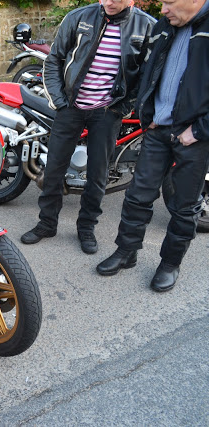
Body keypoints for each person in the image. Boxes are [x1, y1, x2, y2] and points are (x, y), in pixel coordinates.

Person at [20, 0, 155, 254]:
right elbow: (54, 59)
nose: (109, 2)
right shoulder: (79, 17)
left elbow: (147, 76)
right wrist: (59, 102)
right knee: (54, 167)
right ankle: (46, 223)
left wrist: (122, 108)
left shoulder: (146, 26)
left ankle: (86, 227)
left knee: (97, 174)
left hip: (107, 111)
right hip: (71, 107)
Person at [97, 0, 209, 292]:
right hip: (158, 130)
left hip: (193, 138)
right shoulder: (165, 26)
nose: (163, 9)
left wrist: (198, 130)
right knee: (137, 196)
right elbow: (148, 71)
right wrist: (146, 114)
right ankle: (126, 252)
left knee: (184, 208)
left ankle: (170, 264)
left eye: (170, 2)